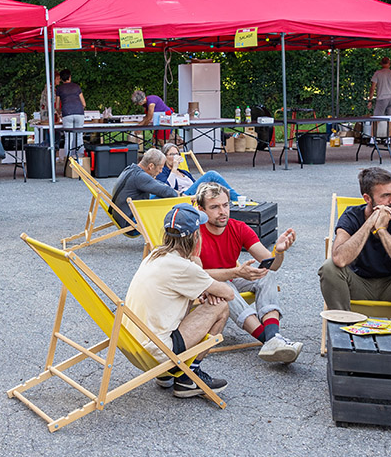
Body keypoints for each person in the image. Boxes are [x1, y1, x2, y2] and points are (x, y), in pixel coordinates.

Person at [124, 203, 235, 398]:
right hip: (157, 351)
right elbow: (228, 293)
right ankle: (187, 378)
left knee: (203, 299)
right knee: (221, 307)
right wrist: (206, 286)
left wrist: (201, 288)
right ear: (194, 237)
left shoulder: (154, 256)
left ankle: (167, 374)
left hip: (133, 342)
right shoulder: (183, 267)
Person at [194, 182, 302, 364]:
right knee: (225, 287)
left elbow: (272, 265)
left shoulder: (238, 227)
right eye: (214, 207)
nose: (222, 211)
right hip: (203, 286)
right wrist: (237, 272)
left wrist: (279, 251)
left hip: (230, 278)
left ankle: (273, 337)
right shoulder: (195, 233)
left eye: (225, 205)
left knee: (267, 274)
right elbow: (194, 274)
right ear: (201, 209)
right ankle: (269, 340)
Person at [318, 167, 391, 317]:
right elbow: (339, 259)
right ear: (367, 198)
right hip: (358, 285)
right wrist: (369, 224)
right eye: (386, 195)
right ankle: (342, 332)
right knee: (329, 268)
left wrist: (381, 231)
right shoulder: (351, 216)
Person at [109, 149, 178, 229]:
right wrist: (180, 194)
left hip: (122, 216)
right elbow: (169, 192)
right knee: (166, 198)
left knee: (161, 192)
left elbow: (158, 184)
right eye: (160, 168)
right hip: (130, 223)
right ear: (151, 166)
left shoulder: (131, 168)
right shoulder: (140, 177)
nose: (161, 171)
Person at [156, 143, 241, 201]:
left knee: (215, 186)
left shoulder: (184, 172)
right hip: (184, 196)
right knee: (211, 175)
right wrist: (174, 168)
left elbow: (195, 185)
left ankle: (237, 199)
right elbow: (167, 189)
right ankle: (239, 199)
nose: (175, 157)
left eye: (177, 154)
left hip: (195, 194)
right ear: (164, 157)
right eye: (172, 154)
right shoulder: (161, 172)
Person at [56, 69, 86, 159]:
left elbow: (57, 105)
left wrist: (59, 112)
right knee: (79, 136)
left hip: (67, 113)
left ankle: (68, 160)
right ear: (70, 77)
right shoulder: (77, 87)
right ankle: (80, 159)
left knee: (68, 138)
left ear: (61, 79)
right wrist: (78, 109)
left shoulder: (59, 89)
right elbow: (84, 103)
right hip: (79, 113)